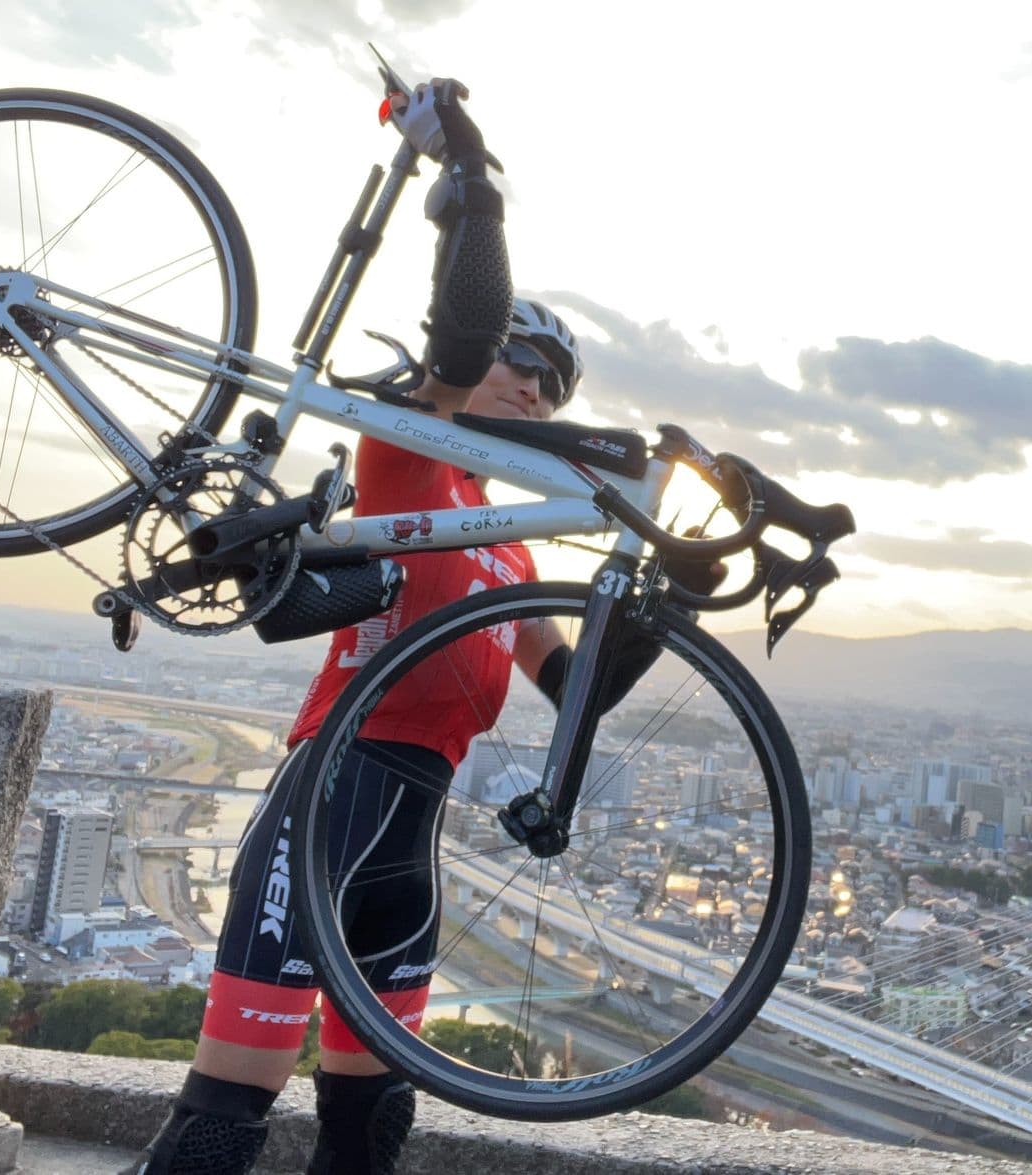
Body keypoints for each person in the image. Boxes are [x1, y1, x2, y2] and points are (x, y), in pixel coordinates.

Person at [132, 80, 715, 1175]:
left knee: (370, 1132)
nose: (535, 389)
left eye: (555, 383)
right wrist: (473, 197)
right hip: (331, 798)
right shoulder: (411, 459)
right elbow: (456, 343)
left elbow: (580, 689)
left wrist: (666, 593)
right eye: (522, 359)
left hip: (414, 835)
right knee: (220, 1126)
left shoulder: (515, 543)